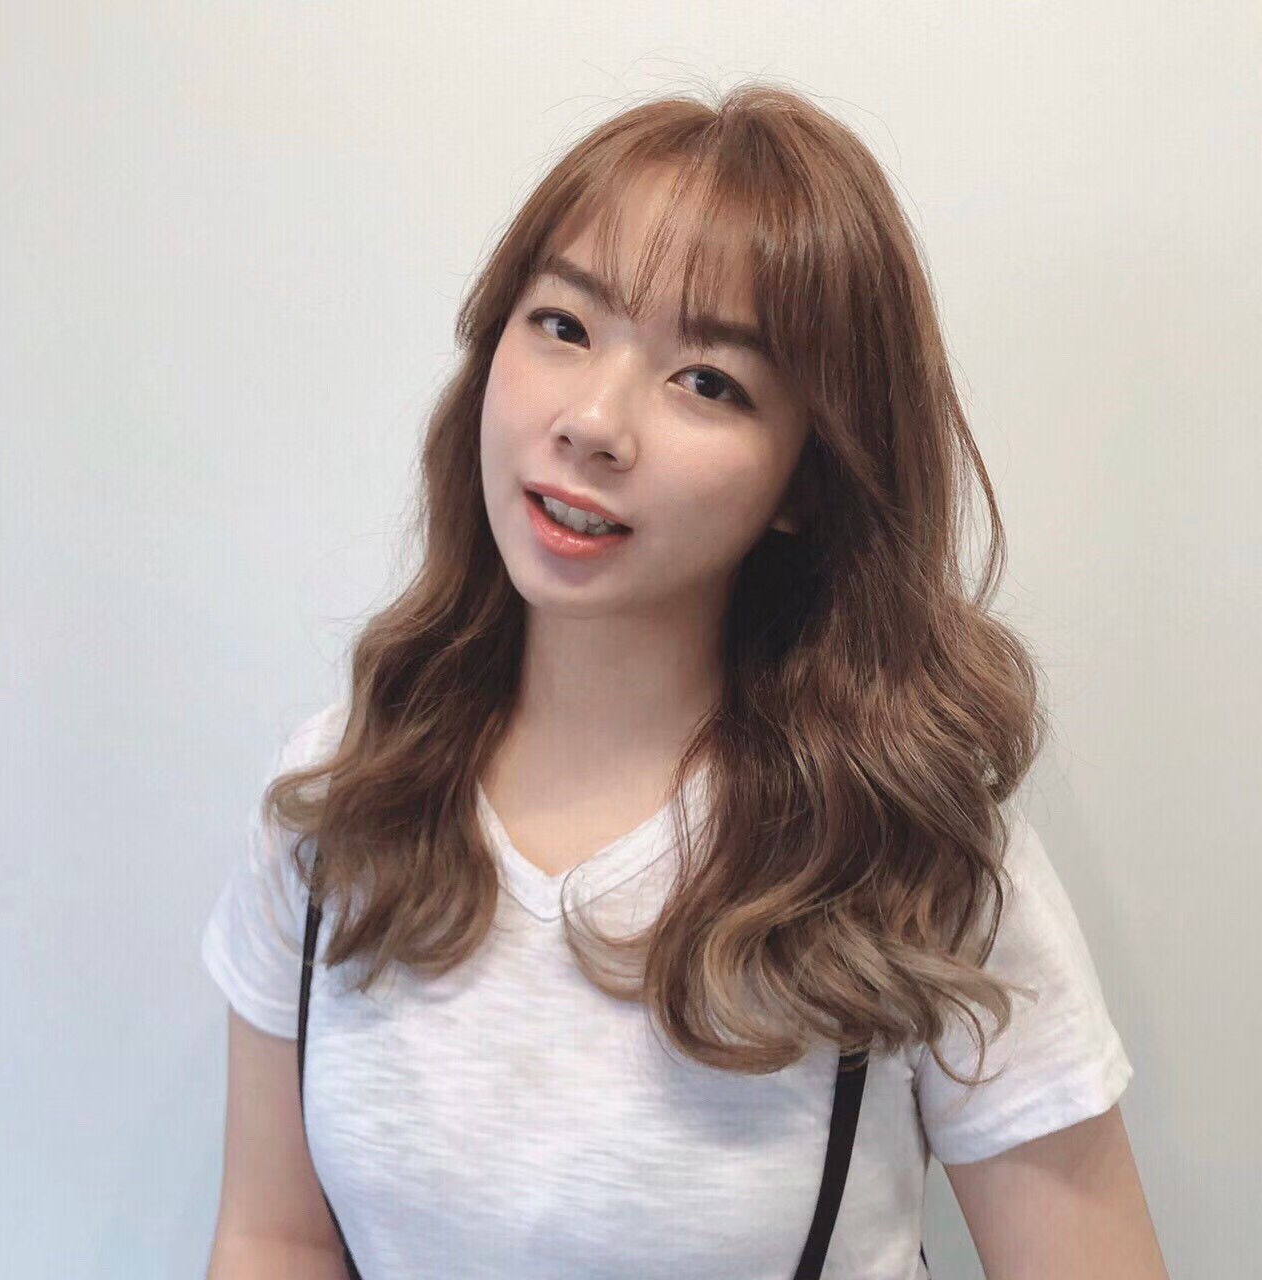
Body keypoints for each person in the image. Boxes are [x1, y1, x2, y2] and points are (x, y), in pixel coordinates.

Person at [201, 83, 1169, 1279]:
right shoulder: (335, 799)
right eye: (562, 323)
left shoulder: (913, 858)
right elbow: (275, 1236)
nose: (593, 420)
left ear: (805, 478)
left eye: (707, 380)